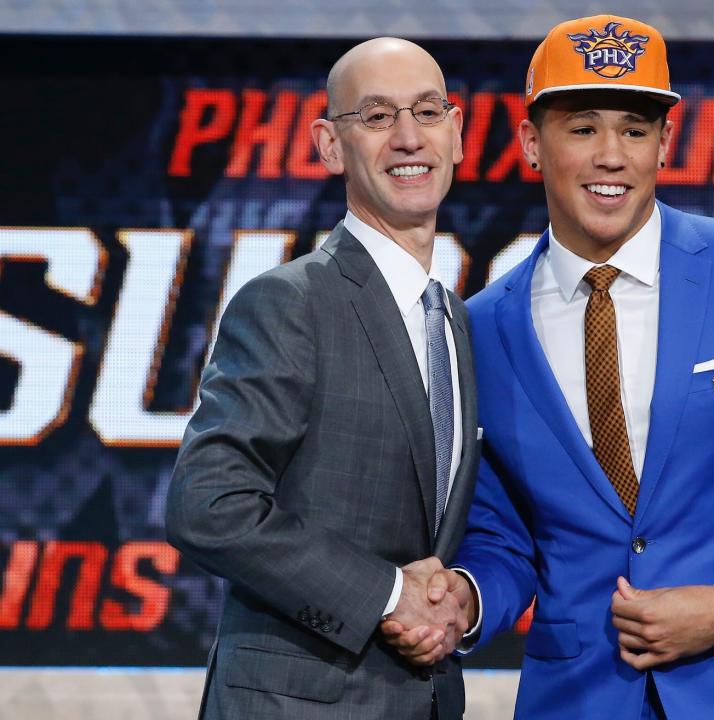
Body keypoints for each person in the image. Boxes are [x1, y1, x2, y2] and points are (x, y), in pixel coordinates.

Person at [384, 14, 714, 719]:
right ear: (530, 144)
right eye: (582, 128)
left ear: (665, 143)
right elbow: (505, 536)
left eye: (634, 130)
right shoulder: (479, 327)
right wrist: (467, 598)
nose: (612, 156)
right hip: (574, 700)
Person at [165, 37, 479, 720]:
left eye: (427, 112)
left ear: (457, 134)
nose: (407, 138)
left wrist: (456, 598)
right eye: (375, 117)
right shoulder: (290, 300)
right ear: (329, 146)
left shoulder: (454, 319)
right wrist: (390, 594)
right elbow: (208, 506)